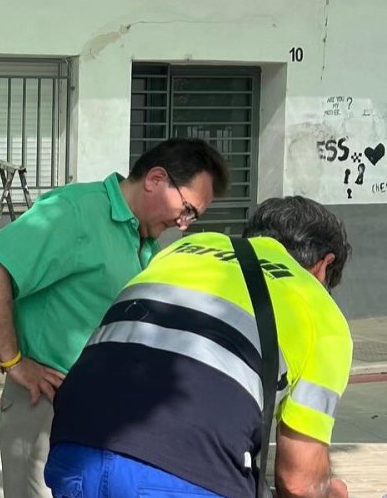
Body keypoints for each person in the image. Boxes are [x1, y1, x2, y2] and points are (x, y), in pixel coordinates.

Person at [46, 196, 353, 498]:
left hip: (74, 446)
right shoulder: (321, 312)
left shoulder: (181, 249)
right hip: (186, 473)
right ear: (324, 265)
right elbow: (299, 483)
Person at [0, 138, 230, 498]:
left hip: (107, 413)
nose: (184, 224)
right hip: (47, 404)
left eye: (193, 217)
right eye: (187, 209)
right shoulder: (75, 211)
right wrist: (13, 361)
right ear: (156, 178)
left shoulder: (144, 241)